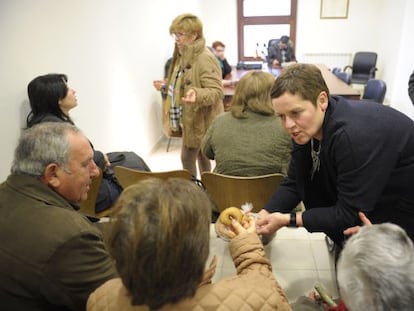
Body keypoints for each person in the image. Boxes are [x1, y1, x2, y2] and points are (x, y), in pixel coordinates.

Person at [256, 63, 414, 248]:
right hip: (377, 179)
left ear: (322, 101)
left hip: (403, 198)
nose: (288, 125)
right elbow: (295, 182)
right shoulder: (305, 127)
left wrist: (288, 219)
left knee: (382, 259)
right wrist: (266, 213)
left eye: (295, 113)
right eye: (281, 116)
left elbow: (348, 213)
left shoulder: (350, 137)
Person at [87, 178, 292, 311]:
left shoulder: (100, 299)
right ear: (197, 250)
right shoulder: (254, 298)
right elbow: (266, 290)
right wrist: (248, 246)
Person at [0, 122, 117, 310]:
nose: (95, 171)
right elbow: (121, 303)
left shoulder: (9, 194)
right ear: (53, 174)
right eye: (86, 164)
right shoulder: (70, 236)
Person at [26, 73, 150, 213]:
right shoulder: (56, 130)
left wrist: (99, 156)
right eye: (67, 89)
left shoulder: (46, 124)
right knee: (137, 178)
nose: (74, 91)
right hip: (89, 193)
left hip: (81, 183)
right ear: (57, 98)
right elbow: (71, 167)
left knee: (129, 158)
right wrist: (99, 157)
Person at [152, 13, 224, 178]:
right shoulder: (182, 54)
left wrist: (197, 94)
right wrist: (166, 85)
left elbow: (216, 91)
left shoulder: (205, 58)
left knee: (187, 157)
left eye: (180, 34)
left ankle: (193, 193)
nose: (176, 38)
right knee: (200, 155)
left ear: (194, 35)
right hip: (189, 116)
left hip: (201, 118)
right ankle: (207, 188)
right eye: (174, 34)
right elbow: (183, 82)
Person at [201, 70, 292, 176]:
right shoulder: (286, 125)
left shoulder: (220, 121)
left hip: (224, 190)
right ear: (274, 94)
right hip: (274, 191)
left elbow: (207, 152)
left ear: (239, 92)